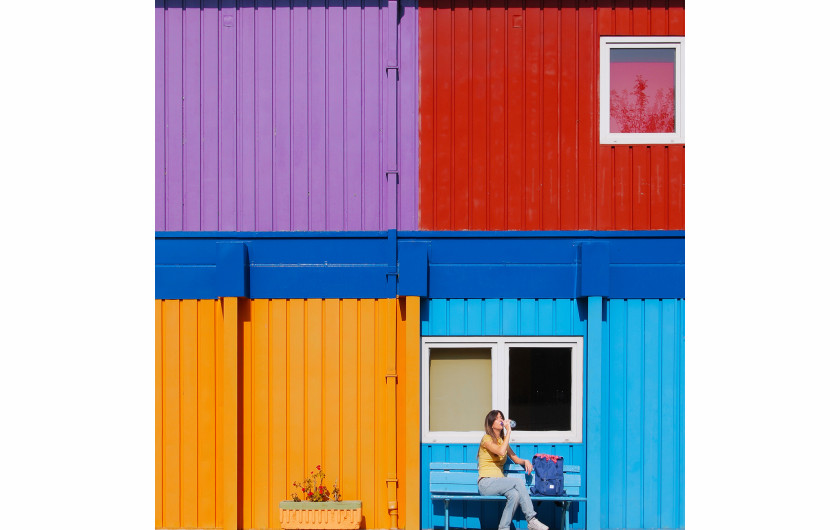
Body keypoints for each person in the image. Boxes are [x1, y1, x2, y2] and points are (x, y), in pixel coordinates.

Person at [477, 410, 549, 530]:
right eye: (497, 418)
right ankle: (531, 519)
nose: (501, 420)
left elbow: (515, 459)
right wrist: (509, 431)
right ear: (491, 423)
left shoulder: (502, 442)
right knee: (518, 482)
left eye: (502, 417)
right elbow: (500, 451)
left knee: (514, 495)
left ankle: (503, 528)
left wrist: (525, 461)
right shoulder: (486, 439)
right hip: (486, 483)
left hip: (498, 483)